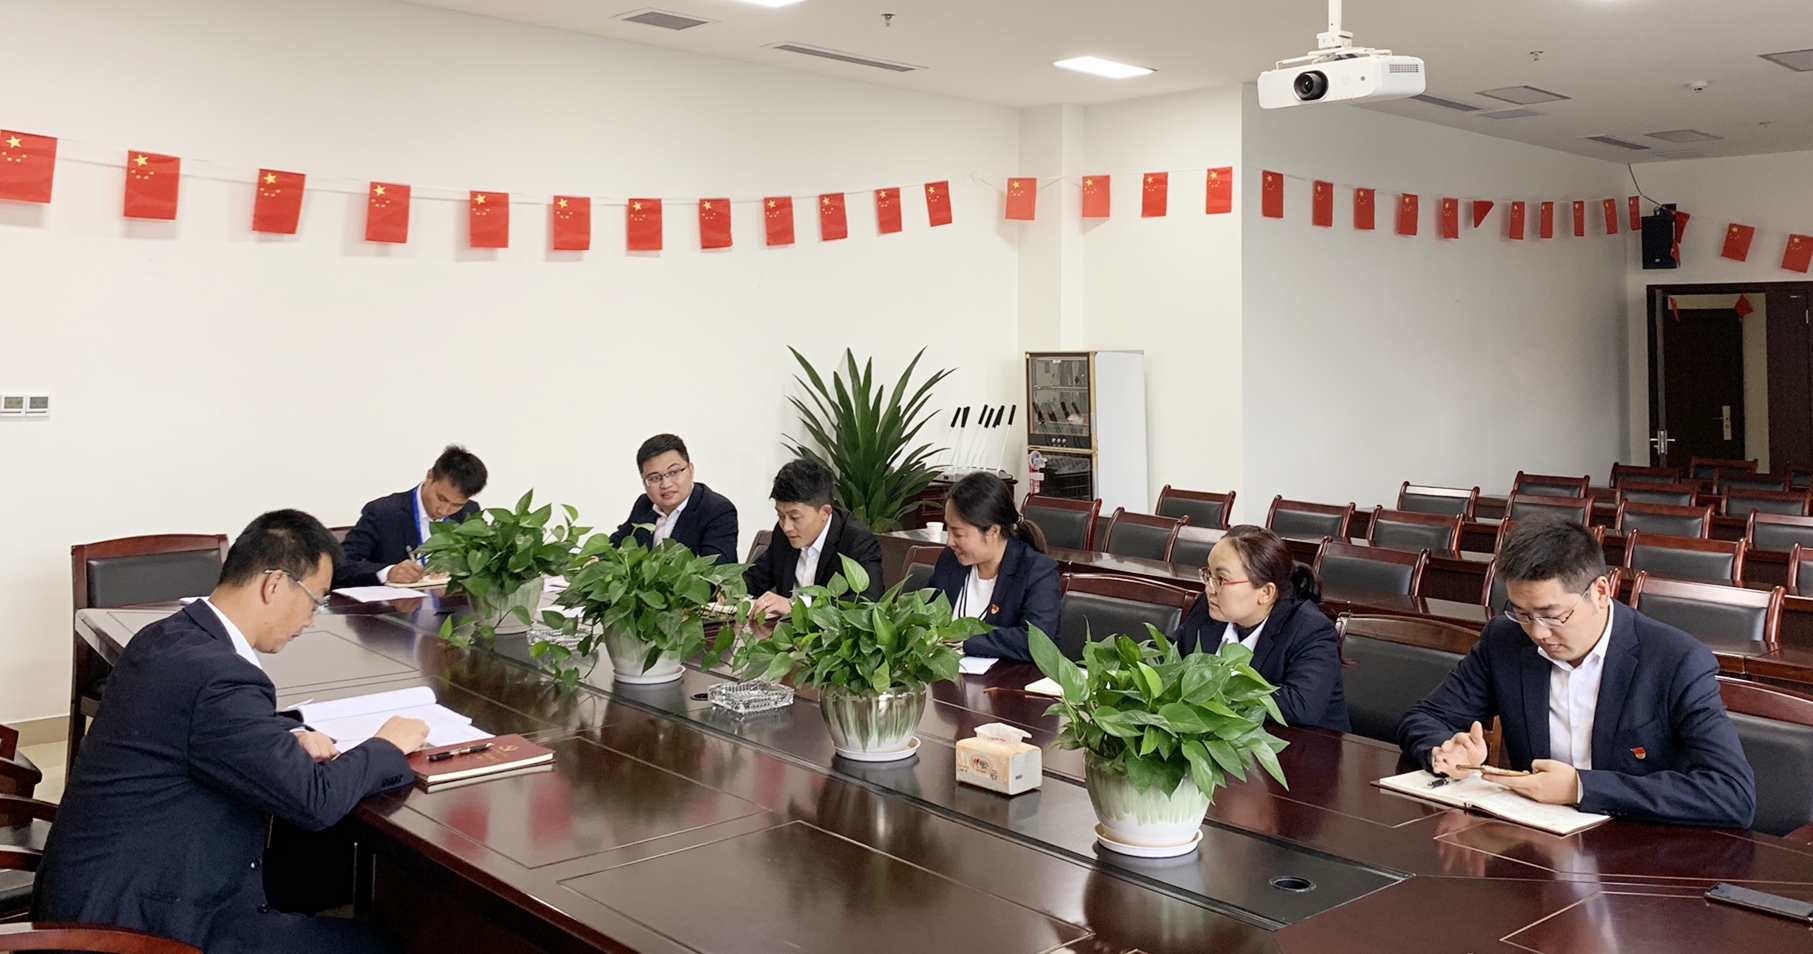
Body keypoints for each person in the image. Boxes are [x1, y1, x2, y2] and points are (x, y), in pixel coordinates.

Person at [35, 510, 429, 953]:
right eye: (316, 601)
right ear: (274, 584)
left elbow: (202, 723)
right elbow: (314, 800)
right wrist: (385, 745)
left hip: (101, 889)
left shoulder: (169, 636)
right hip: (140, 925)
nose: (311, 620)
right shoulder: (219, 676)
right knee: (381, 945)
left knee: (320, 877)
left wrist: (287, 733)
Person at [1398, 516, 1755, 828]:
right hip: (1534, 841)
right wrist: (1445, 749)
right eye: (1523, 613)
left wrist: (1580, 788)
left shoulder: (1675, 660)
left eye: (1553, 616)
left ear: (1600, 591)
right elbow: (1425, 717)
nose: (1538, 632)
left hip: (1639, 845)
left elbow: (1732, 794)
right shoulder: (1505, 641)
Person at [1171, 525, 1349, 732]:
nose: (1209, 589)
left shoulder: (1310, 629)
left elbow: (1301, 705)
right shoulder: (1209, 608)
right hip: (1225, 735)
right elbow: (1171, 651)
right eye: (1208, 575)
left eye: (1221, 580)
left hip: (1306, 744)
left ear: (1265, 592)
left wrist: (1213, 682)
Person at [927, 472, 1060, 662]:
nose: (949, 542)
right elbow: (924, 614)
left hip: (1007, 677)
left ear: (993, 531)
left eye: (958, 534)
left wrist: (967, 642)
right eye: (947, 529)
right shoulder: (950, 561)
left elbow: (1038, 641)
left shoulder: (1036, 570)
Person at [745, 458, 884, 616]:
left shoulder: (857, 540)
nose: (786, 527)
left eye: (795, 517)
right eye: (780, 515)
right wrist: (728, 591)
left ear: (825, 512)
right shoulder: (783, 534)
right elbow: (755, 578)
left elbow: (868, 602)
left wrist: (795, 606)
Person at [334, 444, 486, 587]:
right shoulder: (383, 512)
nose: (443, 511)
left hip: (449, 603)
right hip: (394, 605)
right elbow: (340, 565)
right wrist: (388, 572)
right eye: (441, 498)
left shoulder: (469, 513)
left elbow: (483, 565)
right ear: (429, 476)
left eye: (457, 505)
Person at [607, 433, 739, 564]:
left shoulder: (717, 510)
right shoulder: (644, 504)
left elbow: (716, 569)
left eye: (673, 472)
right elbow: (614, 545)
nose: (666, 484)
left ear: (691, 470)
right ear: (644, 482)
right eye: (654, 478)